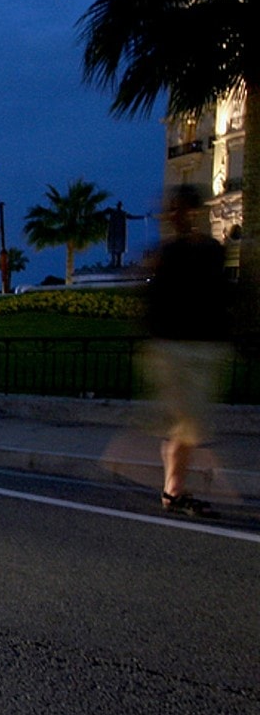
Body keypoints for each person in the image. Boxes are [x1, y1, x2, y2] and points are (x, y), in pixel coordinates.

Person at [143, 184, 231, 517]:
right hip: (174, 348)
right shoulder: (166, 254)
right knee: (187, 423)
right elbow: (155, 302)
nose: (177, 216)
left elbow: (219, 294)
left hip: (202, 346)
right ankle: (174, 491)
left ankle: (173, 486)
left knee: (188, 425)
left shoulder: (209, 250)